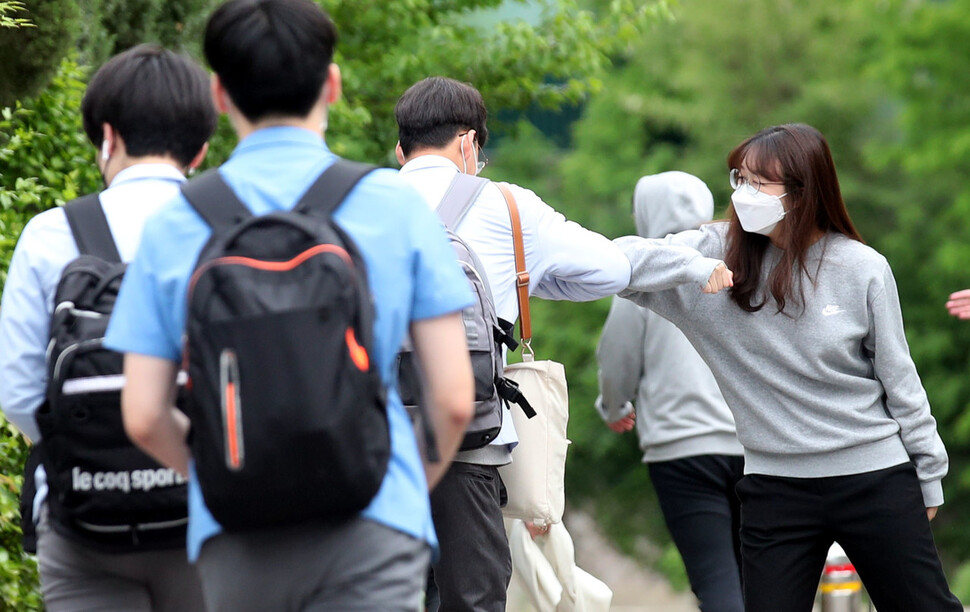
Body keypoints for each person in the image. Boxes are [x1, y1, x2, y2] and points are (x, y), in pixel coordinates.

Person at [102, 2, 475, 611]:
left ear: (219, 95)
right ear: (331, 83)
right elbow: (454, 398)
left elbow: (143, 414)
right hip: (375, 528)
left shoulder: (177, 222)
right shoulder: (394, 205)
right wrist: (398, 488)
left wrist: (224, 478)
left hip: (237, 535)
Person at [616, 123, 962, 612]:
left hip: (874, 476)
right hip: (774, 488)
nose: (743, 194)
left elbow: (899, 379)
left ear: (802, 192)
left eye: (760, 184)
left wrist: (929, 473)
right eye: (739, 178)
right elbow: (621, 263)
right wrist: (692, 267)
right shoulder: (714, 254)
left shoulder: (861, 267)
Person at [394, 75, 635, 612]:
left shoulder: (353, 207)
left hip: (370, 440)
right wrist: (531, 279)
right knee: (472, 595)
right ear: (470, 143)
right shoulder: (505, 204)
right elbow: (611, 268)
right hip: (470, 442)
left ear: (399, 150)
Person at [0, 44, 215, 611]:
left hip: (83, 525)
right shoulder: (233, 235)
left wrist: (95, 455)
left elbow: (20, 393)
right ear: (200, 147)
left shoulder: (51, 236)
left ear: (108, 137)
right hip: (212, 519)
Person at [595, 171, 744, 612]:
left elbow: (617, 358)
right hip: (756, 441)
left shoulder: (642, 275)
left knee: (715, 576)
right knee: (762, 573)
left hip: (683, 450)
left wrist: (613, 406)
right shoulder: (739, 263)